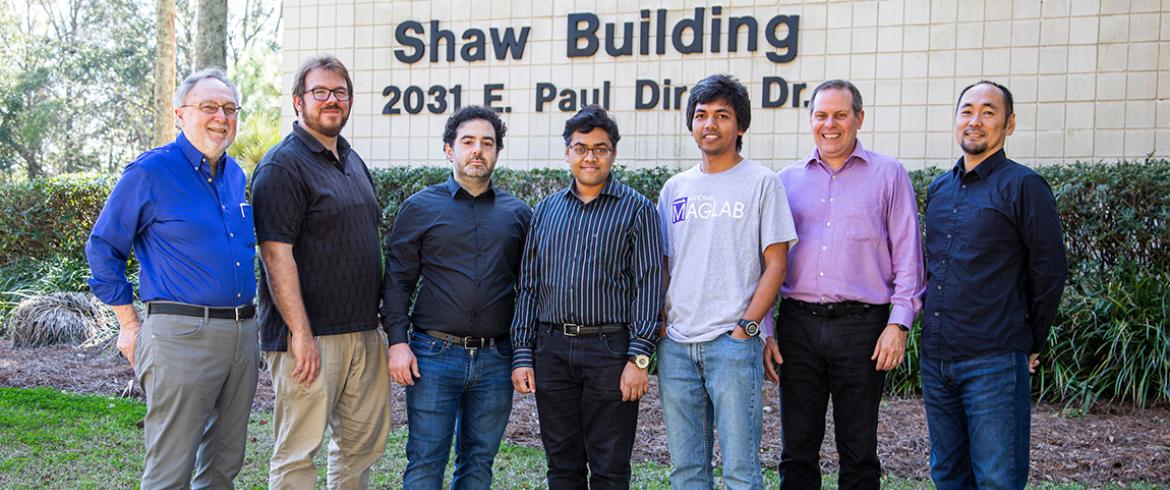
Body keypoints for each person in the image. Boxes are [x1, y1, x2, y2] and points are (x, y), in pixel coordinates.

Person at [86, 68, 257, 488]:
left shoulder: (235, 176)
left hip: (242, 334)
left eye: (229, 108)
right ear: (180, 114)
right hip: (181, 335)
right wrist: (128, 324)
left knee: (223, 465)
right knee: (170, 470)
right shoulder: (151, 172)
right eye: (209, 107)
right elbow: (103, 248)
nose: (221, 116)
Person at [770, 79, 925, 489]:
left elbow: (909, 257)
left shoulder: (889, 175)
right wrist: (765, 329)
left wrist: (899, 324)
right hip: (798, 327)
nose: (830, 124)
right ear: (810, 121)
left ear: (859, 118)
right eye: (821, 115)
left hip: (864, 329)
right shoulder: (785, 181)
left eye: (840, 114)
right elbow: (767, 264)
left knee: (858, 451)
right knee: (796, 451)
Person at [251, 54, 390, 489]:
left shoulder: (350, 159)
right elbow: (276, 255)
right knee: (297, 453)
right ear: (298, 101)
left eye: (340, 92)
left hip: (363, 333)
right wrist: (301, 334)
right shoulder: (282, 166)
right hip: (308, 339)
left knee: (359, 448)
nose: (332, 100)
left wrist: (378, 327)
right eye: (321, 92)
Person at [921, 80, 1068, 489]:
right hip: (937, 360)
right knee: (948, 474)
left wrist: (1030, 341)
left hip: (993, 360)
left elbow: (1050, 270)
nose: (976, 121)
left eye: (989, 112)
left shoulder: (1024, 186)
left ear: (1009, 124)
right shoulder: (939, 188)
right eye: (967, 110)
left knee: (997, 479)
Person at [510, 105, 664, 489]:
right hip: (552, 349)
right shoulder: (545, 211)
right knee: (562, 465)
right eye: (581, 148)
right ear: (567, 153)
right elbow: (530, 285)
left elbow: (649, 283)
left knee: (610, 466)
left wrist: (639, 357)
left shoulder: (637, 210)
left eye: (600, 148)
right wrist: (523, 354)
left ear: (613, 153)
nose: (590, 156)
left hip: (610, 351)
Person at [656, 74, 797, 489]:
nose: (710, 124)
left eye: (722, 115)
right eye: (701, 116)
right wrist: (663, 322)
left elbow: (776, 265)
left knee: (740, 472)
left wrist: (747, 329)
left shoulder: (762, 183)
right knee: (687, 471)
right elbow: (666, 264)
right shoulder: (674, 188)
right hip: (677, 347)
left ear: (741, 126)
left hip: (731, 345)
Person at [382, 105, 532, 489]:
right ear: (449, 149)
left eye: (487, 143)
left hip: (496, 360)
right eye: (468, 142)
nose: (477, 150)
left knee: (479, 462)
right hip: (433, 356)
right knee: (425, 460)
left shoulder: (518, 215)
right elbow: (397, 282)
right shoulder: (419, 208)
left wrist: (522, 354)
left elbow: (530, 289)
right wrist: (398, 343)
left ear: (498, 152)